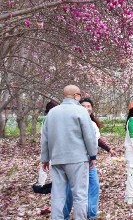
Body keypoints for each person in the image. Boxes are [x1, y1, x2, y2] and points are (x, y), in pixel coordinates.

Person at [41, 85, 98, 220]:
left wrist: (45, 159)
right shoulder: (80, 111)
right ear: (75, 96)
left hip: (57, 159)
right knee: (79, 195)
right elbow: (89, 136)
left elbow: (45, 138)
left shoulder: (52, 113)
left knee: (58, 195)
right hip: (77, 160)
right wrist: (92, 155)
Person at [64, 98, 117, 220]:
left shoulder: (92, 124)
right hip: (76, 160)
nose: (87, 108)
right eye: (83, 106)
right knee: (71, 188)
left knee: (94, 185)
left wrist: (109, 149)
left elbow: (95, 140)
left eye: (89, 106)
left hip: (89, 161)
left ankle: (91, 213)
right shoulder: (74, 122)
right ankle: (64, 215)